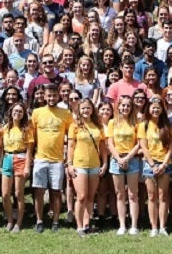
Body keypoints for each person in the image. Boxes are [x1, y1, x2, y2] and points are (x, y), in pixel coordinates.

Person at [29, 87, 73, 232]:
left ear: (58, 96)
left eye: (54, 95)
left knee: (56, 192)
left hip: (57, 160)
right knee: (39, 191)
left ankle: (55, 221)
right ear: (44, 97)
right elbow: (31, 138)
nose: (52, 98)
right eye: (49, 96)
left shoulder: (65, 113)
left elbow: (71, 136)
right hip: (40, 158)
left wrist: (68, 154)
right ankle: (39, 220)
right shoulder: (37, 113)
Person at [66, 99, 106, 237]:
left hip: (94, 164)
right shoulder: (74, 126)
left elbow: (102, 146)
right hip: (80, 164)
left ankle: (87, 224)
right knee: (81, 196)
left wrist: (104, 163)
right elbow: (70, 146)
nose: (85, 111)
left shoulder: (97, 125)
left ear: (92, 109)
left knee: (90, 196)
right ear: (79, 110)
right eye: (83, 108)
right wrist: (69, 164)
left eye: (88, 108)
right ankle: (79, 226)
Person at [138, 98, 172, 237]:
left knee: (163, 196)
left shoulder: (167, 125)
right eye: (153, 107)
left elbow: (170, 148)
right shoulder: (144, 125)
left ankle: (163, 226)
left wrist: (164, 165)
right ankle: (153, 227)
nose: (155, 110)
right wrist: (153, 164)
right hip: (150, 164)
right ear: (148, 109)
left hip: (165, 163)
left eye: (158, 108)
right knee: (151, 196)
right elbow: (143, 147)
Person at [106, 97, 141, 235]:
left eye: (128, 106)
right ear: (118, 107)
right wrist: (119, 158)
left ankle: (134, 225)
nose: (125, 108)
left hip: (131, 159)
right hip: (116, 159)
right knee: (120, 194)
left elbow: (139, 143)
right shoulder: (112, 122)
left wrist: (127, 157)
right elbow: (110, 143)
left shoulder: (136, 123)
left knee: (133, 194)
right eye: (123, 106)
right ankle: (122, 225)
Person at [0, 102, 31, 233]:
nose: (17, 113)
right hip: (7, 158)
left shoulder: (27, 129)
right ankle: (10, 219)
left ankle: (18, 222)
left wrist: (27, 166)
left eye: (20, 111)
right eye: (15, 111)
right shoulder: (5, 128)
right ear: (11, 112)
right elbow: (1, 148)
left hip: (21, 158)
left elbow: (29, 150)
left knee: (18, 193)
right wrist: (0, 165)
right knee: (5, 194)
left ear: (23, 114)